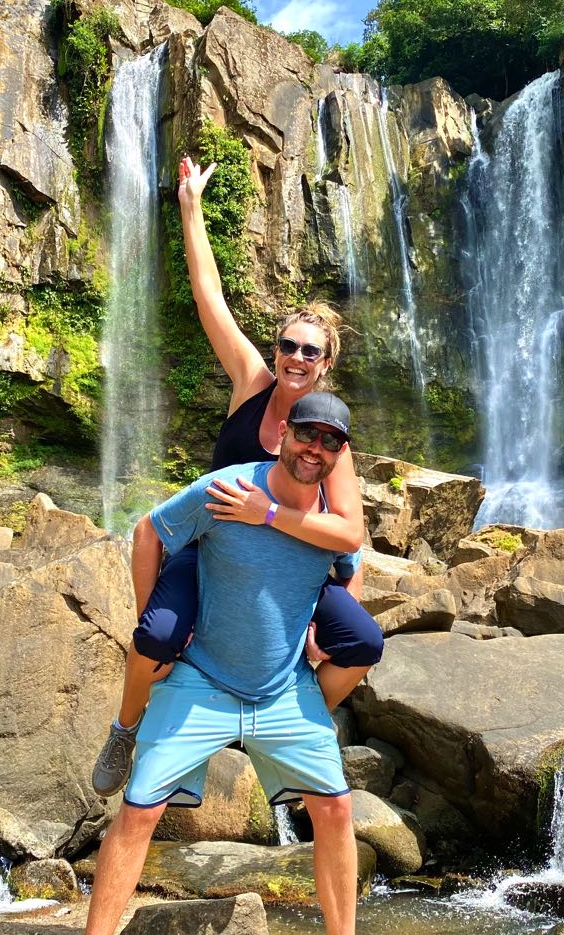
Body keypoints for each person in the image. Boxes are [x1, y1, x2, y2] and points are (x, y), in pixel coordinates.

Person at [41, 395, 410, 935]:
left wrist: (328, 627)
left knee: (335, 808)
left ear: (338, 452)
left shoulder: (330, 519)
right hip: (201, 681)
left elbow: (348, 564)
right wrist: (151, 615)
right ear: (285, 435)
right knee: (139, 813)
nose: (314, 448)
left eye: (329, 440)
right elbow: (151, 530)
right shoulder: (226, 488)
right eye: (306, 433)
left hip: (284, 690)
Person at [92, 155, 383, 797]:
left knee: (361, 639)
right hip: (216, 548)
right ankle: (125, 728)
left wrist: (324, 615)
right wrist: (191, 206)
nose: (295, 358)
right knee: (158, 638)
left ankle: (299, 715)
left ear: (326, 363)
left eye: (310, 351)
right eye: (288, 346)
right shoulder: (252, 382)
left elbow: (349, 536)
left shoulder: (330, 440)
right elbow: (209, 296)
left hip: (294, 557)